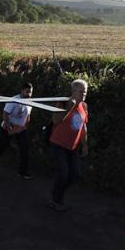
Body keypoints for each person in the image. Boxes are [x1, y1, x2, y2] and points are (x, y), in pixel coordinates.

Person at [48, 79, 89, 212]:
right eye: (81, 92)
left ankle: (57, 195)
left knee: (75, 175)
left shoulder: (84, 106)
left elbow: (83, 127)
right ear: (73, 91)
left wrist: (85, 145)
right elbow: (55, 120)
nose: (83, 95)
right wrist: (68, 108)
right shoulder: (63, 103)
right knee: (63, 173)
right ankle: (56, 199)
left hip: (73, 147)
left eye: (85, 92)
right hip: (59, 144)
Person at [0, 82, 33, 179]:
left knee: (25, 148)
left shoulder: (30, 102)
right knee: (2, 146)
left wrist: (24, 127)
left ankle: (23, 172)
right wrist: (9, 127)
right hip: (9, 125)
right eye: (27, 92)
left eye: (30, 92)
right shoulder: (14, 100)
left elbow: (28, 116)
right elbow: (5, 113)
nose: (29, 94)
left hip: (21, 128)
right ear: (22, 90)